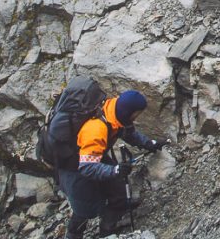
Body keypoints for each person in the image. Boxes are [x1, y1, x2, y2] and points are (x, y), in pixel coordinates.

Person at [60, 90, 166, 238]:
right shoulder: (96, 129)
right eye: (136, 114)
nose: (136, 118)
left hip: (95, 156)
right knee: (85, 209)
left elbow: (127, 132)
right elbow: (87, 167)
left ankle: (107, 230)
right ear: (128, 112)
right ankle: (73, 235)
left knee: (118, 192)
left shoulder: (115, 111)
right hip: (73, 167)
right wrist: (115, 170)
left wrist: (148, 143)